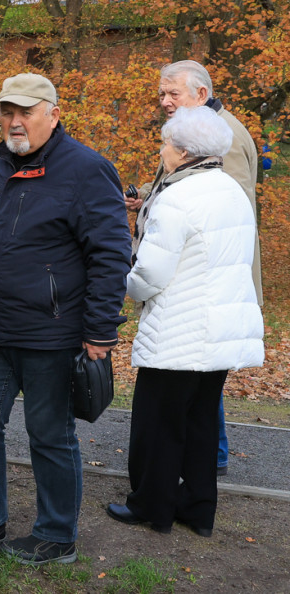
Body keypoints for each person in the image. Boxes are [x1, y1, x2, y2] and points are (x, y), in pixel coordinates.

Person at [0, 73, 131, 565]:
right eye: (7, 111)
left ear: (54, 114)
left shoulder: (86, 170)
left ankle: (56, 534)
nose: (15, 121)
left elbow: (111, 255)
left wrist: (100, 333)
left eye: (26, 111)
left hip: (52, 333)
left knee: (50, 435)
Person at [106, 106, 263, 537]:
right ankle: (197, 510)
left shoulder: (177, 197)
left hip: (178, 330)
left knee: (158, 425)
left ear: (182, 151)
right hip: (220, 331)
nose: (162, 151)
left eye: (165, 144)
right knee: (199, 425)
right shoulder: (232, 191)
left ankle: (151, 507)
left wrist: (129, 286)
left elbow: (150, 274)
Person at [125, 60, 262, 476]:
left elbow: (219, 208)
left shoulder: (225, 137)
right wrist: (148, 196)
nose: (165, 102)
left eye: (173, 94)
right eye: (162, 94)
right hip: (195, 288)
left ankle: (202, 467)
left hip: (201, 291)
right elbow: (190, 182)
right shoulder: (195, 132)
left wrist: (135, 280)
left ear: (201, 95)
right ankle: (198, 477)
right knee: (197, 384)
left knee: (195, 382)